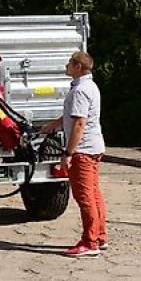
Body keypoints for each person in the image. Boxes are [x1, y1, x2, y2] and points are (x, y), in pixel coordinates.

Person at [41, 50, 107, 257]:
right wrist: (53, 125)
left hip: (83, 151)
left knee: (85, 197)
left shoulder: (79, 91)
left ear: (78, 67)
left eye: (70, 62)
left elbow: (79, 123)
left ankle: (89, 243)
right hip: (94, 147)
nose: (66, 65)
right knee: (94, 194)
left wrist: (68, 153)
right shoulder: (89, 86)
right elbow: (73, 115)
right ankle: (100, 236)